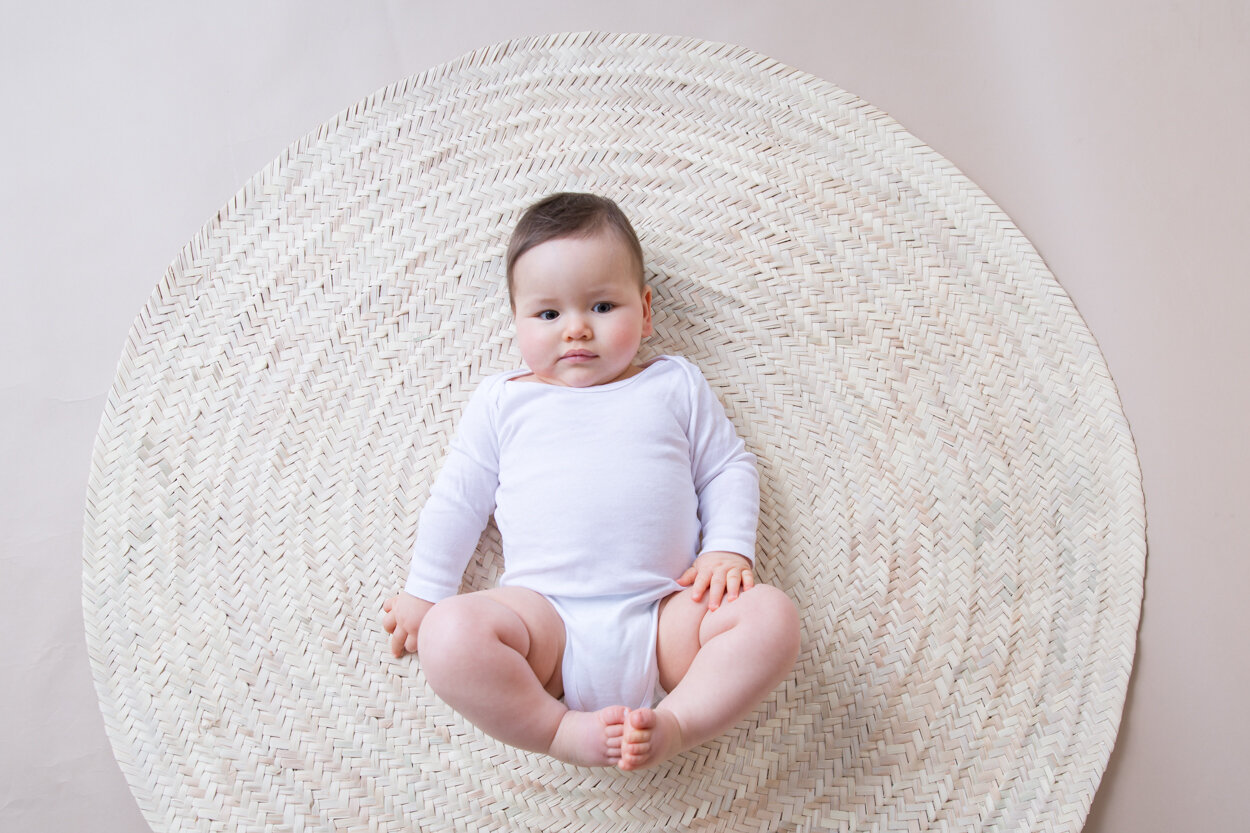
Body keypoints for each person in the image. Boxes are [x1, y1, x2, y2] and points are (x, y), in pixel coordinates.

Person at [382, 192, 800, 771]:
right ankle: (556, 730)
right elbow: (459, 499)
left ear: (647, 311)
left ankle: (680, 723)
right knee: (448, 638)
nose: (576, 330)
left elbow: (728, 467)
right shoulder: (505, 402)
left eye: (603, 306)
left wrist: (728, 547)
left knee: (771, 617)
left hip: (666, 612)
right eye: (548, 315)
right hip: (544, 622)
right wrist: (426, 590)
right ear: (517, 322)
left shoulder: (672, 384)